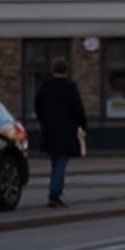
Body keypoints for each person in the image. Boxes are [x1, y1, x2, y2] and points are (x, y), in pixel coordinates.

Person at [34, 57, 87, 208]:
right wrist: (82, 125)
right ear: (67, 70)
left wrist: (43, 121)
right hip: (66, 131)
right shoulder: (70, 87)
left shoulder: (45, 86)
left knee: (55, 161)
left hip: (49, 130)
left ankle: (56, 194)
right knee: (61, 163)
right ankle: (54, 195)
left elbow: (37, 106)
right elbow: (78, 109)